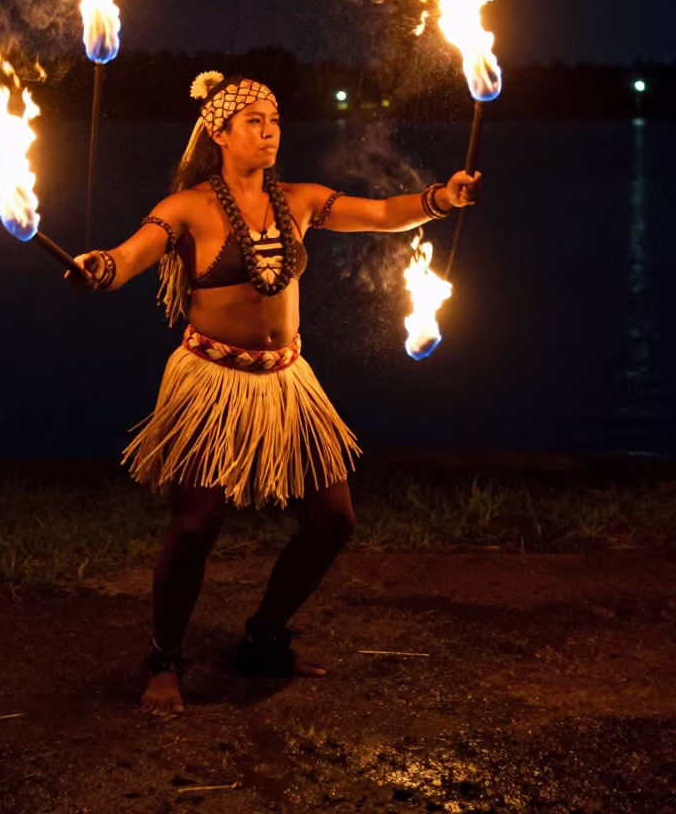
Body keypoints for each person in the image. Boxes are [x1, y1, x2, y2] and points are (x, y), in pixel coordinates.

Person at [69, 71, 481, 719]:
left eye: (275, 120)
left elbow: (380, 215)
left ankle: (263, 639)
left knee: (333, 520)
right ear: (219, 131)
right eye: (254, 121)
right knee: (198, 522)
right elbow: (131, 254)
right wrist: (101, 267)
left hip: (288, 381)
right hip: (209, 381)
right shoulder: (188, 208)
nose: (269, 131)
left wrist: (440, 199)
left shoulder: (301, 200)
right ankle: (165, 658)